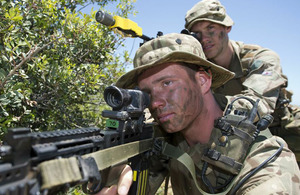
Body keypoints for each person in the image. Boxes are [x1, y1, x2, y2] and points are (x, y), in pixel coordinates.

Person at [97, 33, 300, 195]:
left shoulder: (266, 164)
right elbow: (135, 180)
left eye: (167, 83)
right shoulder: (168, 136)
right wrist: (114, 173)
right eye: (147, 93)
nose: (156, 102)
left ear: (203, 81)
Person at [184, 0, 300, 163]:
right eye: (197, 34)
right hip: (237, 137)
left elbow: (256, 104)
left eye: (210, 29)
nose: (204, 39)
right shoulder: (199, 70)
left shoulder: (261, 58)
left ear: (227, 27)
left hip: (282, 129)